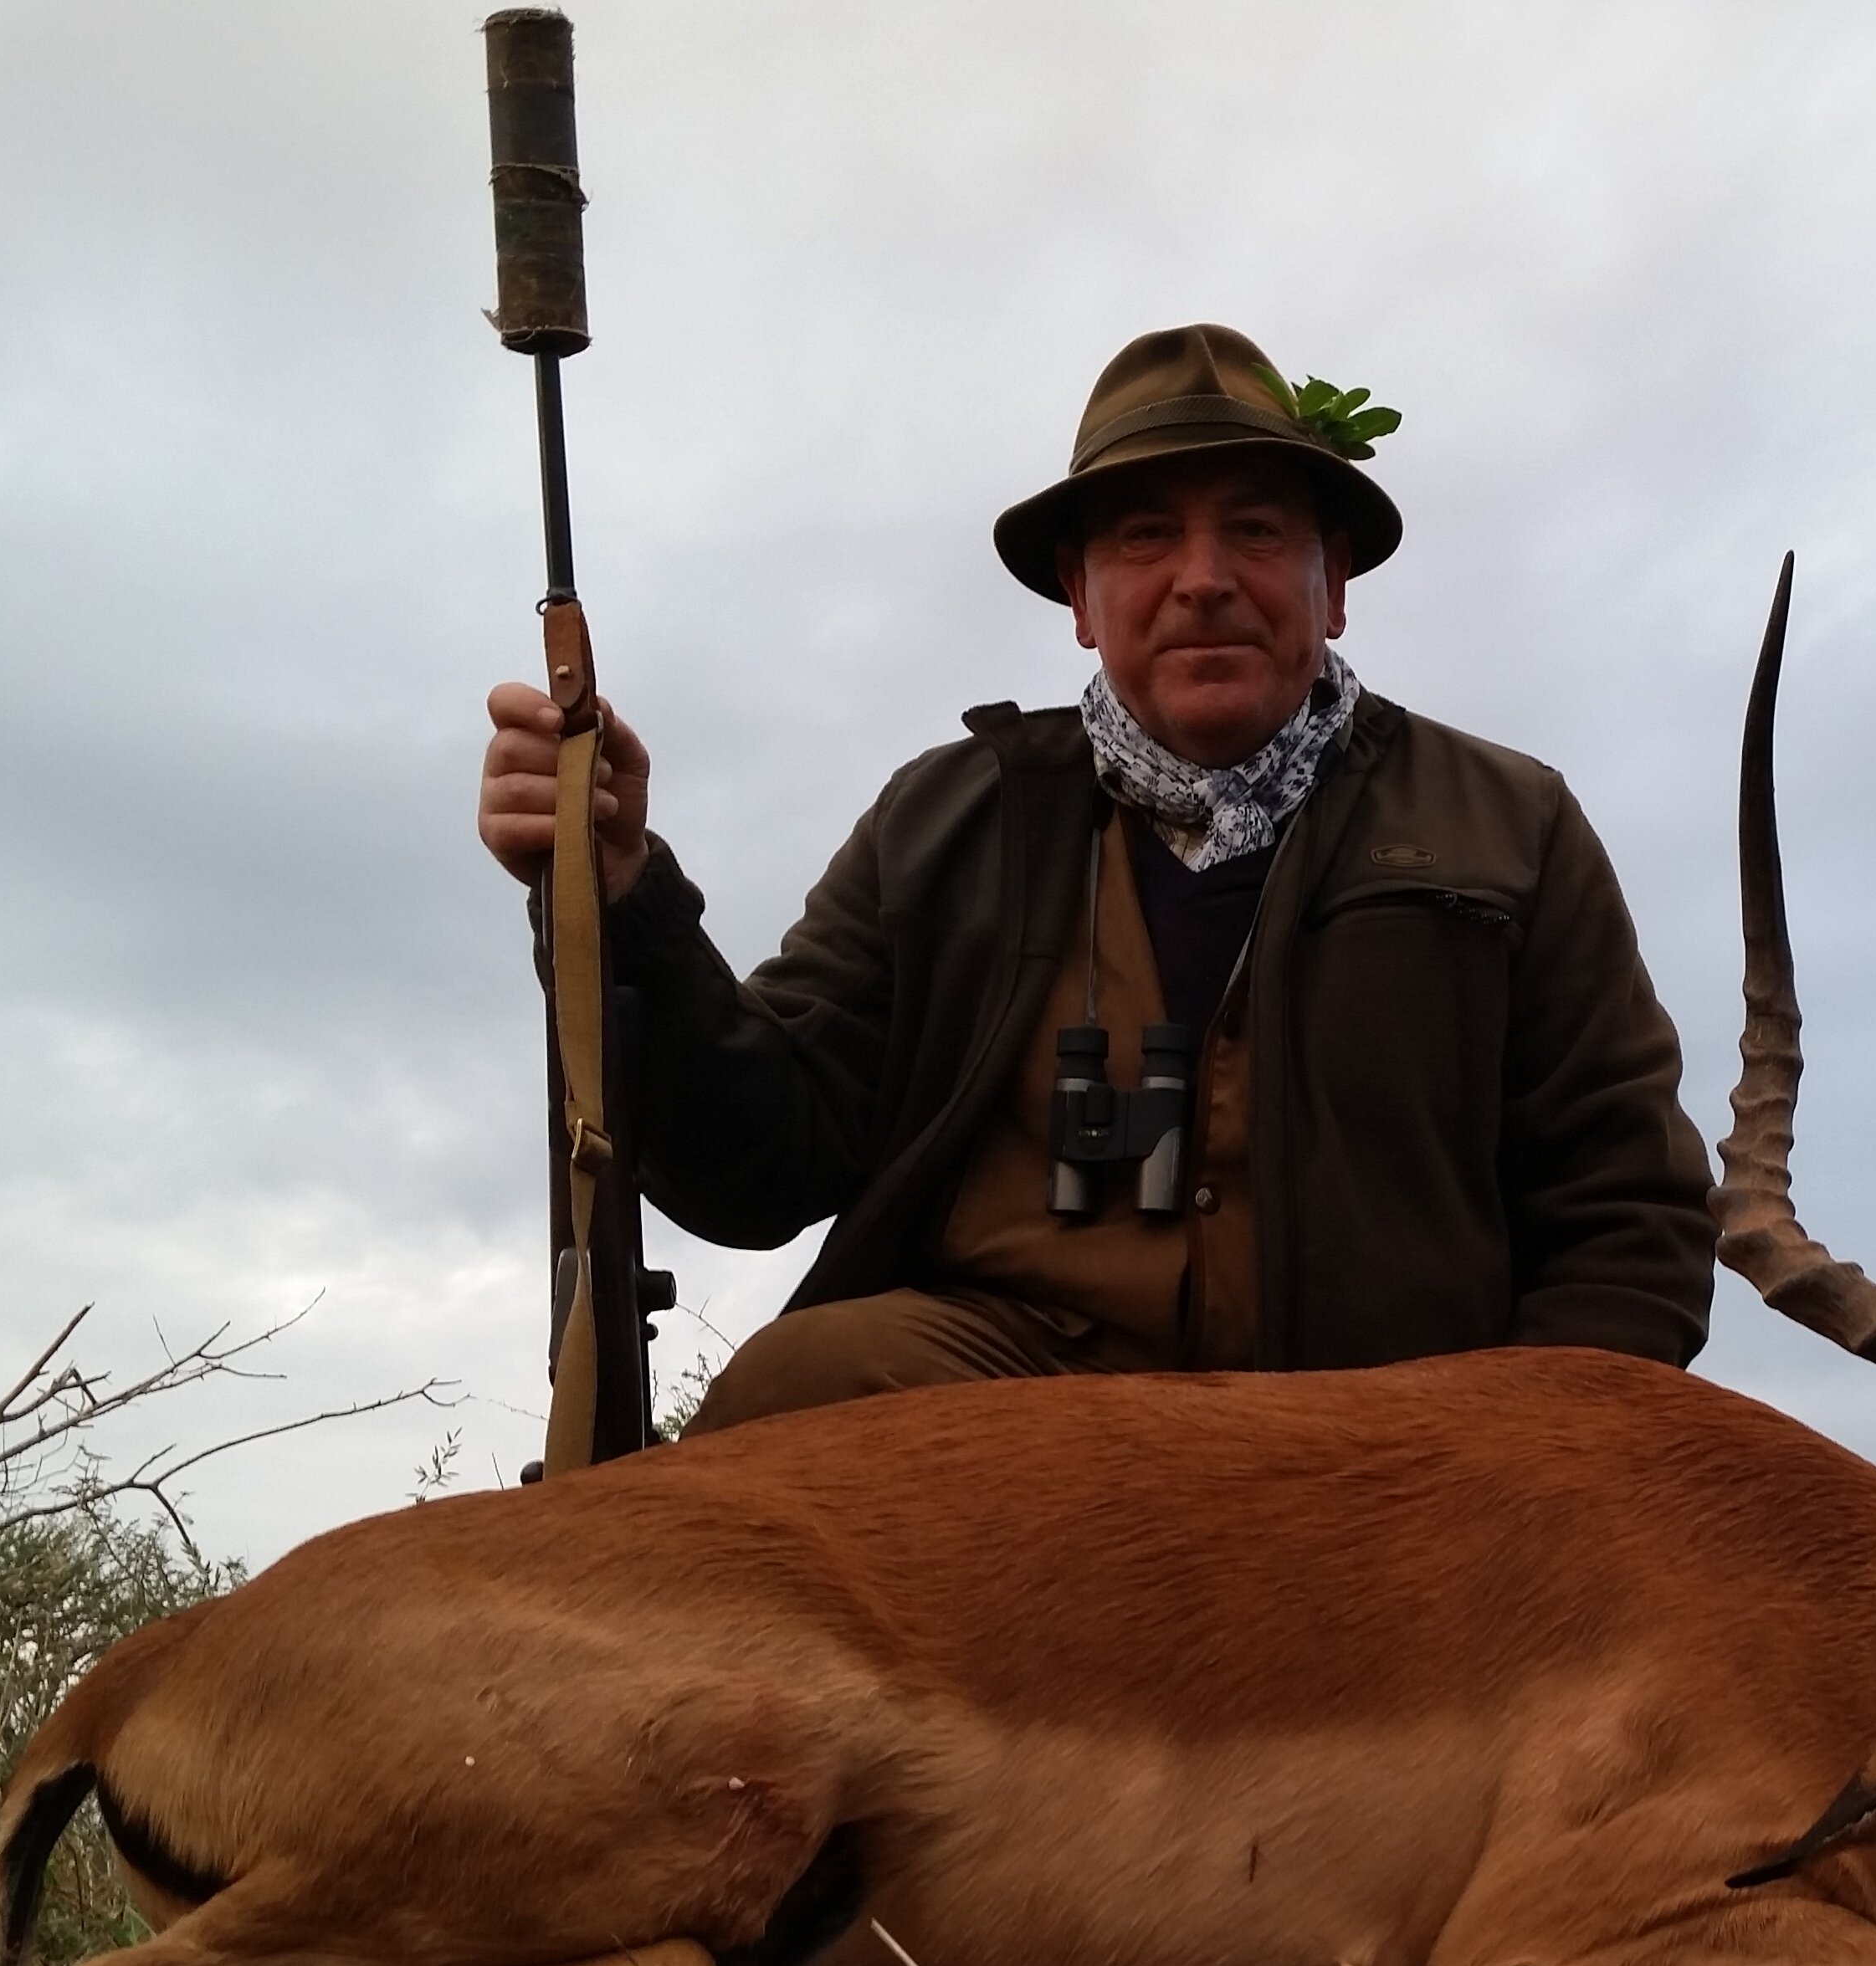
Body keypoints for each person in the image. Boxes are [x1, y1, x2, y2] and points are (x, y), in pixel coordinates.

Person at [474, 325, 1715, 1432]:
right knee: (804, 1387)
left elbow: (1629, 1212)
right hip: (1021, 1438)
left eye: (1257, 530)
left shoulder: (1510, 822)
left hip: (1384, 1455)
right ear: (1081, 597)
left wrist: (1526, 1462)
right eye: (1144, 537)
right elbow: (759, 1163)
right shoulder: (948, 818)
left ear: (1332, 584)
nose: (1203, 577)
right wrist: (622, 897)